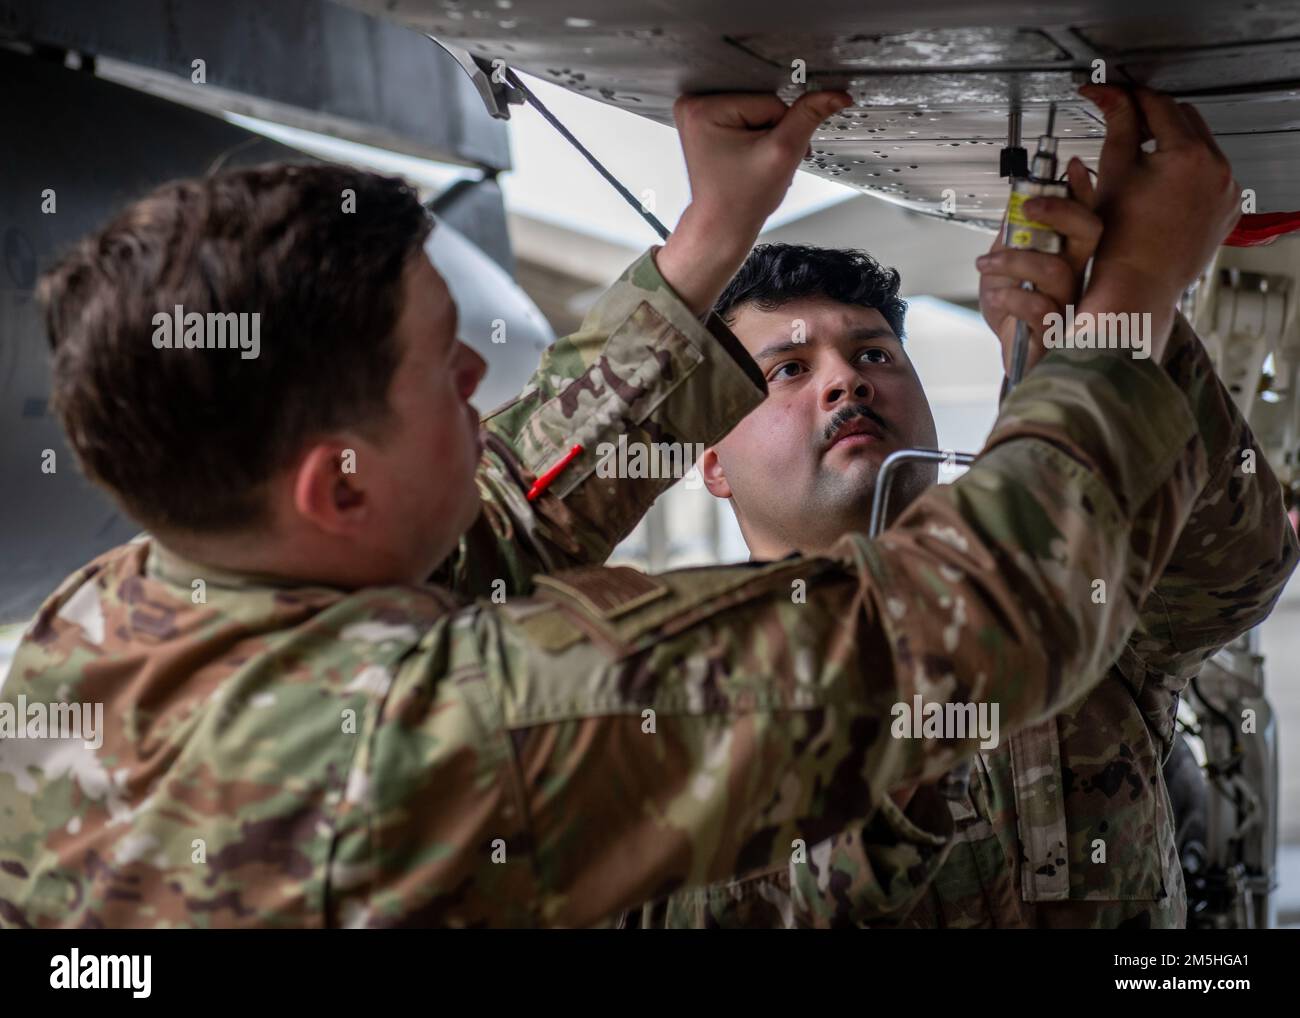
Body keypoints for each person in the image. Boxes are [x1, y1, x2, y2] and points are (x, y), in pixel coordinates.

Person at [0, 87, 1226, 928]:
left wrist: (710, 238)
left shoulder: (101, 631)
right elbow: (982, 615)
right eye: (444, 368)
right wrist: (1132, 304)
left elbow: (508, 522)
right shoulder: (466, 735)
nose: (484, 379)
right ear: (338, 483)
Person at [631, 87, 1297, 928]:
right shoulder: (675, 691)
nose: (847, 378)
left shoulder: (1064, 562)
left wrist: (1106, 327)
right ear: (712, 462)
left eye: (873, 351)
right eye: (789, 370)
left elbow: (1237, 572)